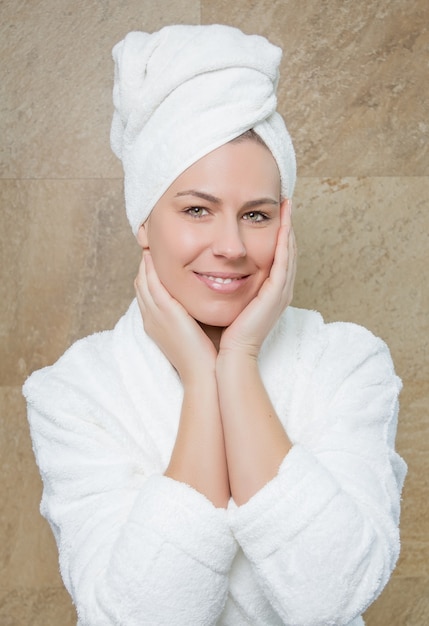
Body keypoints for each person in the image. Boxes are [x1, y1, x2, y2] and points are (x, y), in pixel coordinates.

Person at [23, 24, 407, 626]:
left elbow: (333, 597)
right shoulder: (73, 393)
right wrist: (203, 383)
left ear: (285, 224)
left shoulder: (348, 363)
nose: (230, 246)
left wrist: (241, 361)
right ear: (143, 220)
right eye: (197, 210)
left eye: (256, 214)